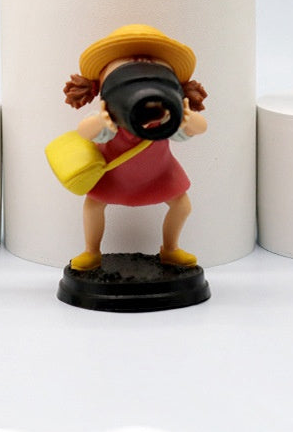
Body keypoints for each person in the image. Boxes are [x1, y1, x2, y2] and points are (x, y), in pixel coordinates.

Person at [62, 24, 207, 271]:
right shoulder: (111, 118)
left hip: (159, 172)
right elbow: (83, 132)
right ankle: (91, 251)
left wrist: (188, 119)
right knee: (94, 204)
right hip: (114, 173)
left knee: (182, 205)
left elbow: (199, 128)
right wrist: (100, 121)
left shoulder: (166, 117)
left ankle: (170, 249)